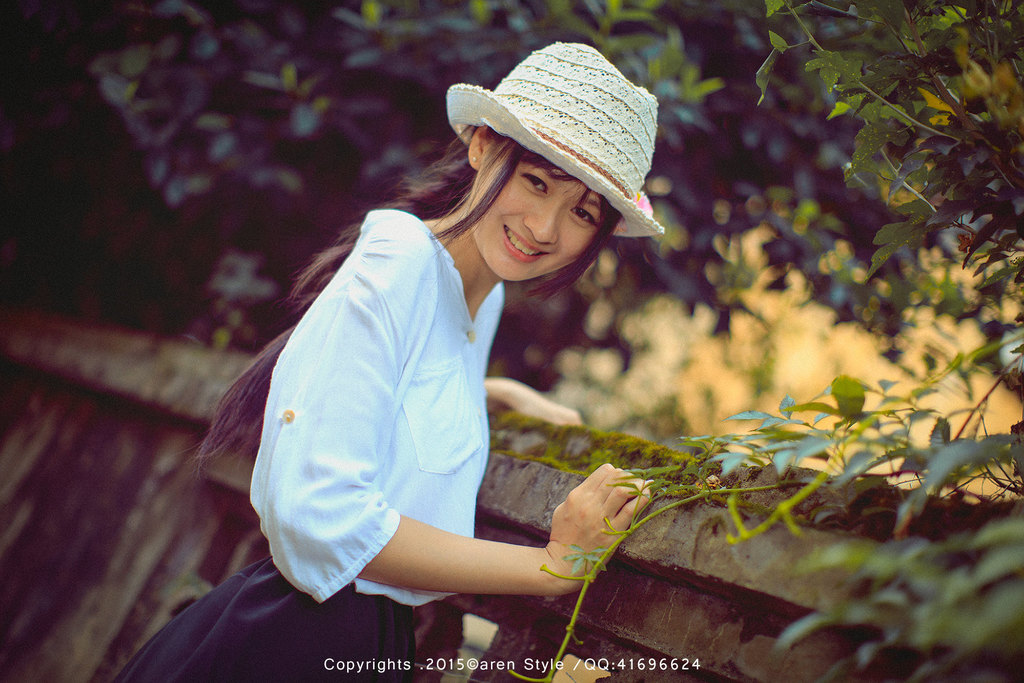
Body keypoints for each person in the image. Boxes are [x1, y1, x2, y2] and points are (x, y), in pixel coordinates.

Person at [116, 41, 664, 682]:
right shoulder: (399, 263)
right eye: (535, 181)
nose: (545, 227)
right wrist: (554, 566)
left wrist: (494, 395)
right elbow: (321, 515)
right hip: (291, 642)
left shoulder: (477, 298)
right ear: (483, 147)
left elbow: (392, 390)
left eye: (581, 211)